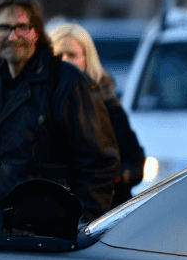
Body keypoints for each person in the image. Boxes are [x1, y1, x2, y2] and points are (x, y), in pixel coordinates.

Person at [0, 0, 119, 221]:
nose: (12, 36)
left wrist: (79, 222)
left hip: (51, 233)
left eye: (22, 27)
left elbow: (101, 162)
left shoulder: (66, 82)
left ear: (37, 33)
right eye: (3, 28)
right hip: (1, 231)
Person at [48, 22, 146, 207]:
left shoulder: (108, 106)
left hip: (105, 210)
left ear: (87, 59)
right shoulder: (37, 106)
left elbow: (134, 161)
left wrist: (114, 179)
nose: (65, 61)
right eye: (58, 55)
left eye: (72, 55)